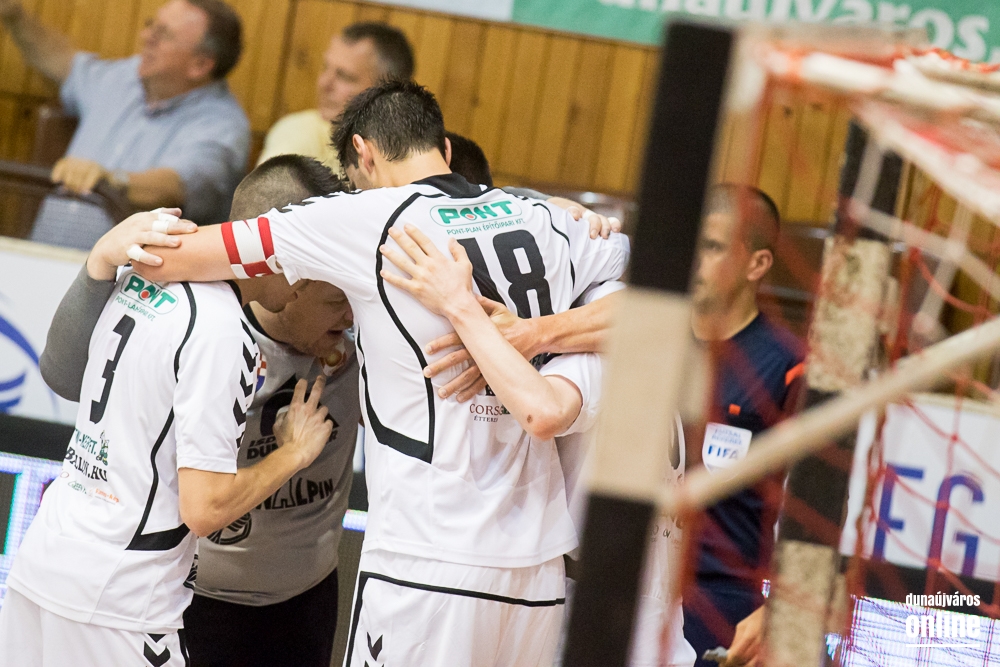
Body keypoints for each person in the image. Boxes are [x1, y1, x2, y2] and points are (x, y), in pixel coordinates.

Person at [110, 79, 627, 667]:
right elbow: (663, 309)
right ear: (444, 148)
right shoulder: (545, 218)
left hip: (424, 559)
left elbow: (169, 256)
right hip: (538, 570)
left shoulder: (361, 216)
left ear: (363, 152)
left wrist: (111, 249)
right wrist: (540, 332)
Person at [36, 155, 361, 667]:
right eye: (332, 292)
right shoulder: (218, 331)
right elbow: (205, 509)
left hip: (58, 556)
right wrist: (293, 454)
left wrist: (99, 261)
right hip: (141, 592)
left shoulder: (148, 281)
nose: (350, 312)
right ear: (283, 251)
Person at [0, 0, 250, 250]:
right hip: (36, 255)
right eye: (151, 26)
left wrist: (111, 181)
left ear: (200, 65)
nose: (146, 37)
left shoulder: (224, 126)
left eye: (163, 34)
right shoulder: (124, 78)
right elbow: (61, 63)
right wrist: (15, 15)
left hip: (122, 272)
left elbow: (178, 185)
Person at [681, 185, 804, 667]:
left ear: (757, 265)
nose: (694, 260)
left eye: (712, 247)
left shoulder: (789, 364)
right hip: (633, 580)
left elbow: (821, 507)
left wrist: (778, 607)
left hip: (723, 603)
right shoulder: (651, 337)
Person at [257, 21, 414, 170]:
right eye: (325, 67)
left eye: (344, 76)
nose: (324, 83)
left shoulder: (413, 155)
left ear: (386, 92)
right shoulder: (300, 133)